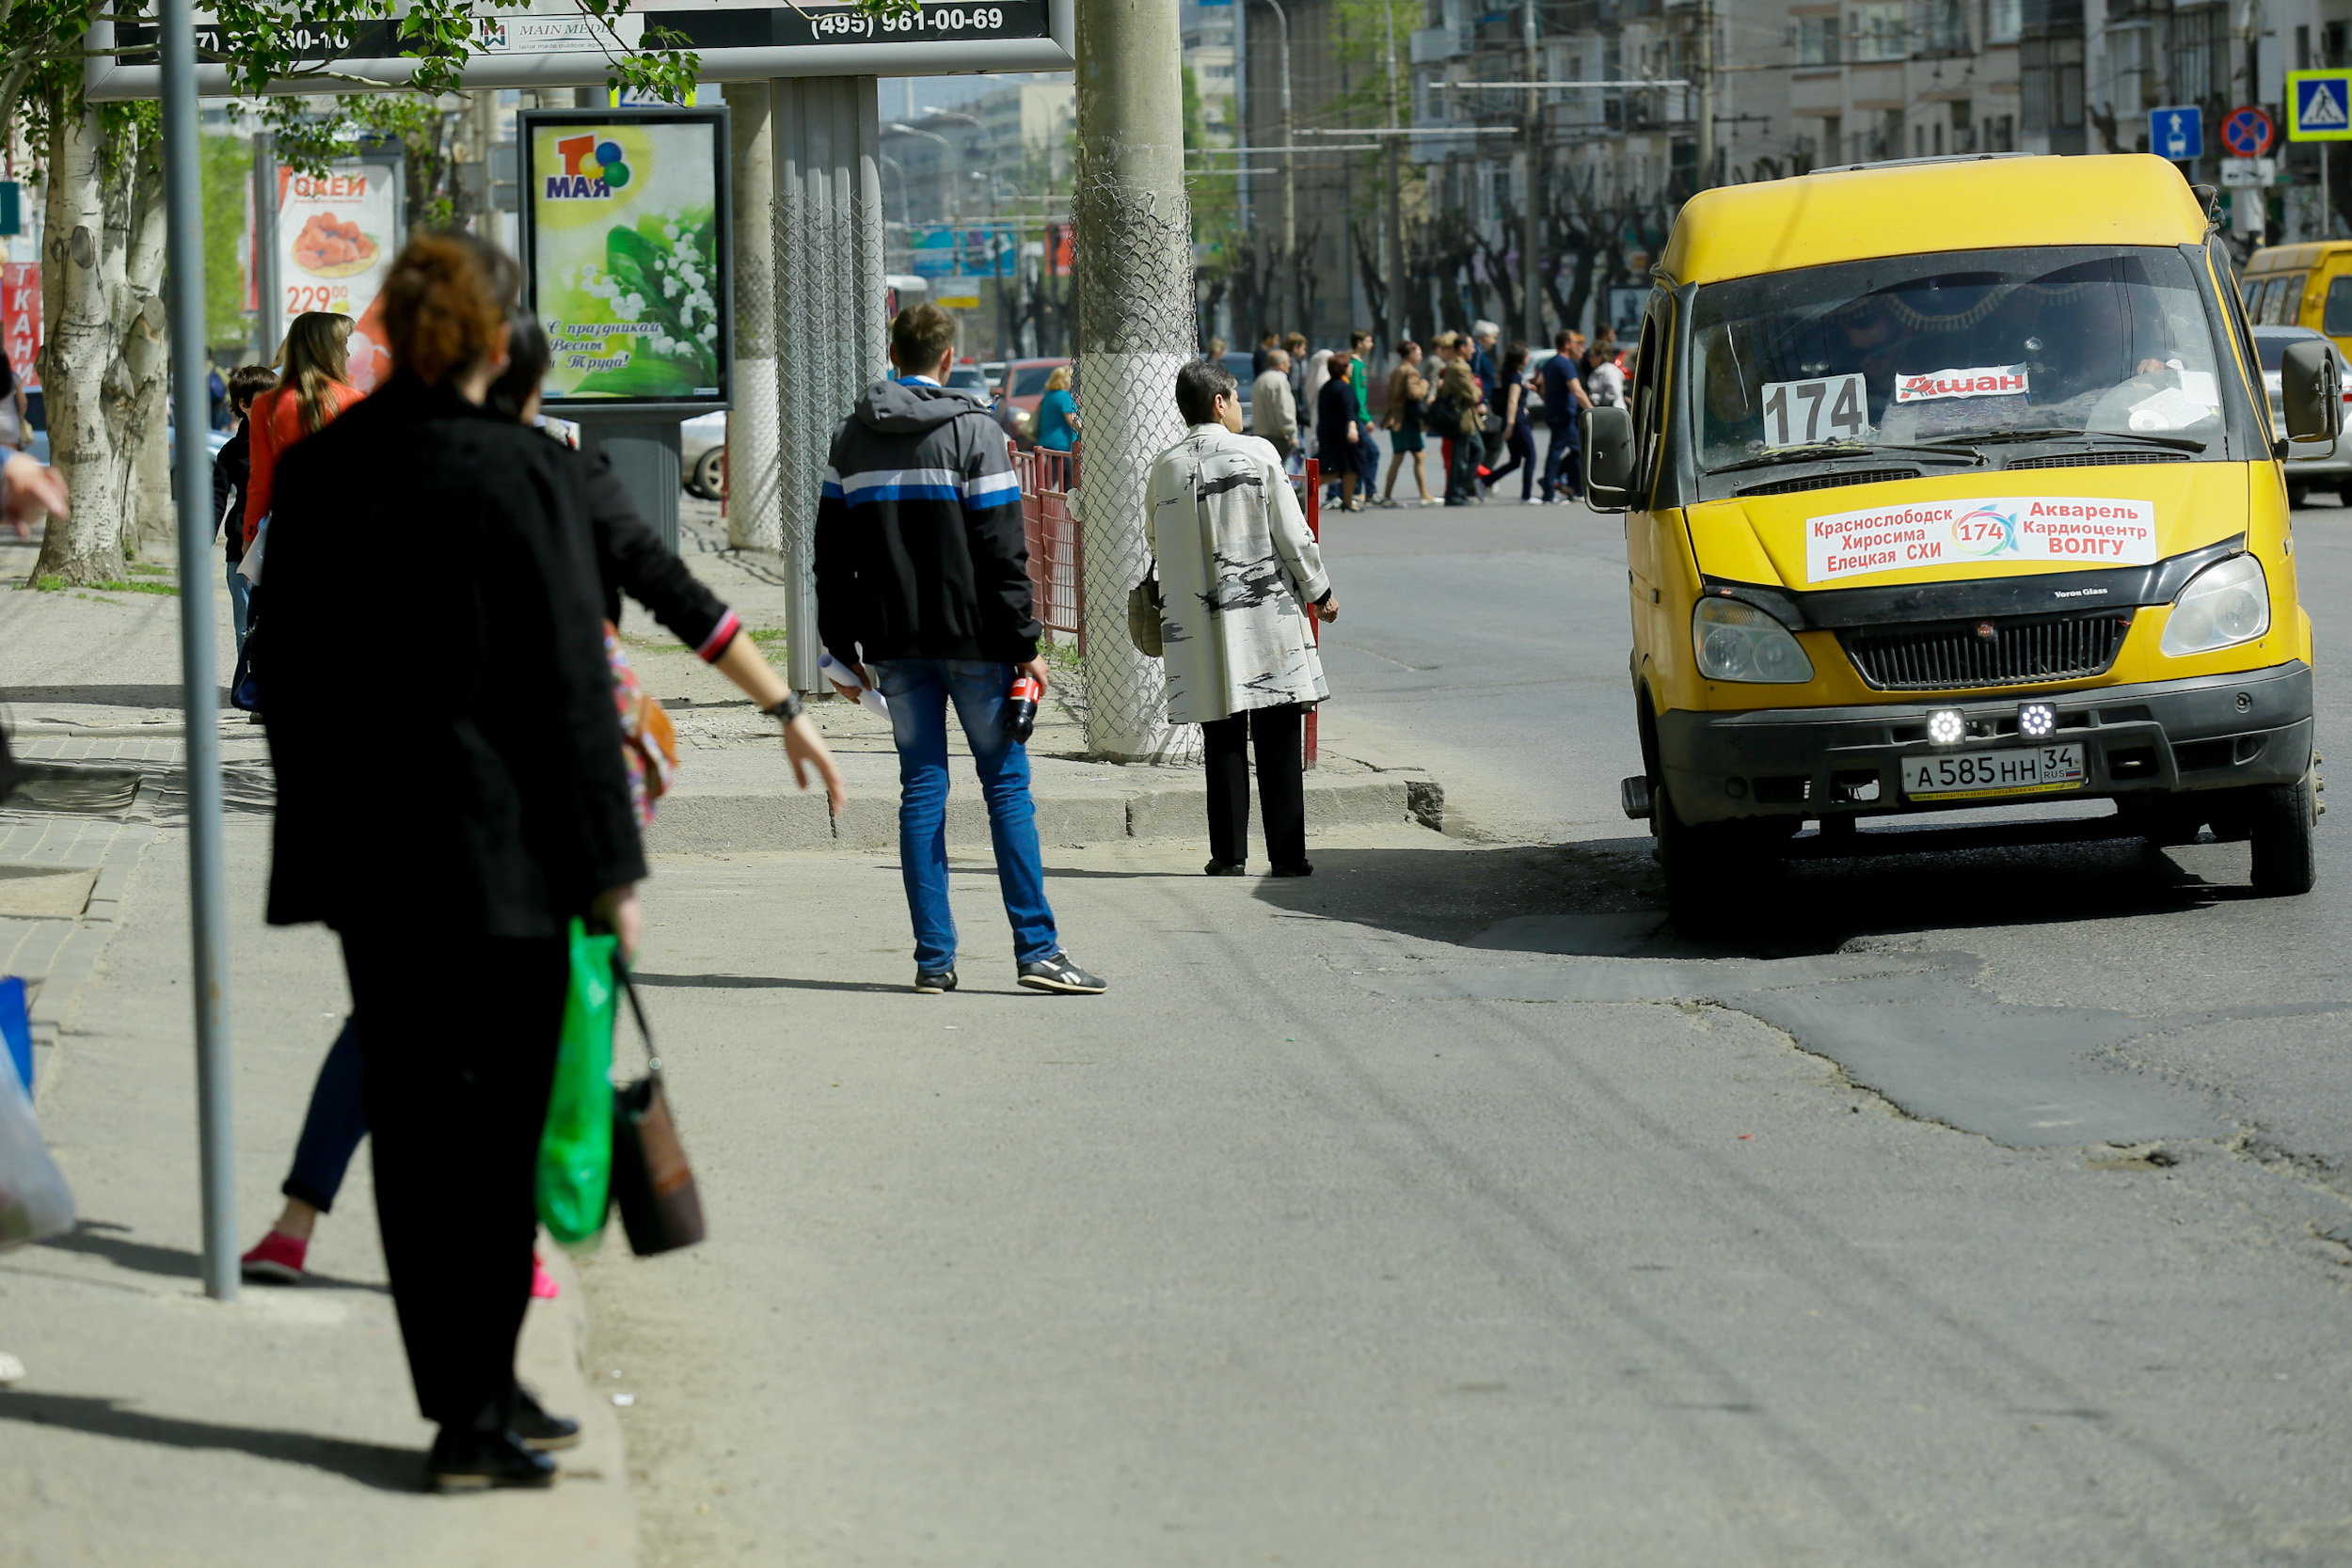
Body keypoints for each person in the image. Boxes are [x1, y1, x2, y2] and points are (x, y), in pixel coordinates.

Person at [237, 311, 850, 1294]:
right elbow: (681, 597)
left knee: (387, 1021)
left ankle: (294, 1223)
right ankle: (512, 1246)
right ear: (531, 381)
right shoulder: (563, 476)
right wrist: (783, 707)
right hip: (540, 808)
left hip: (405, 796)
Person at [262, 232, 632, 1491]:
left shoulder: (317, 473)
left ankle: (463, 1405)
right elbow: (573, 686)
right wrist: (610, 869)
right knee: (500, 1134)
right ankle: (480, 1401)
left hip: (377, 863)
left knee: (418, 1139)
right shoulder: (523, 472)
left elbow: (287, 680)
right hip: (518, 861)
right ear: (490, 340)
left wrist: (318, 834)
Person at [815, 302, 1105, 997]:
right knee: (1005, 786)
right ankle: (1036, 949)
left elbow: (830, 554)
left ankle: (933, 960)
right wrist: (1026, 642)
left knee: (923, 789)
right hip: (976, 641)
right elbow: (1003, 550)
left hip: (895, 646)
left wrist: (839, 647)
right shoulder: (977, 432)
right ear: (948, 358)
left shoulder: (850, 440)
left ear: (894, 352)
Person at [1145, 360, 1338, 876]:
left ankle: (1227, 856)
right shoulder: (1257, 453)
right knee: (1278, 736)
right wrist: (1320, 592)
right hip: (1264, 619)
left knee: (1222, 737)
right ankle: (1288, 858)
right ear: (1219, 402)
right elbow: (1293, 536)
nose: (1237, 409)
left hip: (1198, 626)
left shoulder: (1164, 466)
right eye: (1234, 399)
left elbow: (1155, 542)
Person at [244, 310, 361, 548]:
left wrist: (250, 533)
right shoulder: (355, 401)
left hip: (290, 530)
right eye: (344, 344)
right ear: (328, 348)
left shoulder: (267, 405)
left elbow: (261, 481)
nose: (347, 353)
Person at [210, 365, 276, 654]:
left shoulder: (286, 442)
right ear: (244, 404)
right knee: (246, 627)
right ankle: (249, 687)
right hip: (242, 550)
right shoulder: (231, 452)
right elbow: (215, 498)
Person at [1482, 341, 1538, 501]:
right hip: (1518, 422)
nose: (1528, 358)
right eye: (1526, 355)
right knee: (1531, 456)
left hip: (1514, 420)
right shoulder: (1515, 378)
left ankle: (1486, 480)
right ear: (1520, 359)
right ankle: (1526, 495)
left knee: (1515, 461)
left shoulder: (1512, 376)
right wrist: (1510, 425)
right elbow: (1512, 401)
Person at [1539, 329, 1590, 503]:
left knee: (1575, 450)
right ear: (1567, 345)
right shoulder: (1565, 364)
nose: (1579, 346)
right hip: (1564, 415)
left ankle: (1574, 489)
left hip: (1554, 412)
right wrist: (1592, 410)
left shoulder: (1550, 363)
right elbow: (1577, 391)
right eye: (1576, 342)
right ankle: (1551, 491)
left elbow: (1542, 388)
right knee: (1568, 450)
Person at [1381, 342, 1433, 506]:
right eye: (1418, 353)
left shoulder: (1397, 370)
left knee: (1407, 456)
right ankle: (1422, 494)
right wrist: (1424, 386)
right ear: (1410, 354)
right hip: (1406, 420)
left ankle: (1390, 494)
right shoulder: (1411, 372)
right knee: (1409, 456)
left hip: (1396, 418)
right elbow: (1414, 394)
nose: (1420, 356)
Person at [1433, 358, 1487, 506]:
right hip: (1462, 418)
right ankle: (1456, 492)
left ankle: (1460, 490)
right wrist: (1477, 390)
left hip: (1467, 417)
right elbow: (1472, 394)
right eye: (1470, 346)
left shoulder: (1457, 366)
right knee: (1460, 456)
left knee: (1474, 451)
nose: (1473, 350)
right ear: (1462, 347)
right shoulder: (1459, 368)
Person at [1314, 346, 1363, 512]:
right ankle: (1304, 489)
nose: (1351, 368)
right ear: (1343, 369)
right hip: (1341, 436)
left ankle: (1348, 501)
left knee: (1348, 468)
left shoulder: (1327, 386)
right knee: (1337, 469)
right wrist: (1352, 427)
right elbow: (1349, 408)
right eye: (1349, 365)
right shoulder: (1344, 388)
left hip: (1328, 433)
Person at [1346, 328, 1381, 503]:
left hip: (1358, 416)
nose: (1371, 344)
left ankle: (1360, 490)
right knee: (1372, 452)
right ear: (1359, 343)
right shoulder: (1353, 365)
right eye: (1368, 341)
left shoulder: (1360, 364)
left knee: (1362, 453)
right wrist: (1365, 419)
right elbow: (1355, 396)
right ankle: (1367, 491)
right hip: (1356, 417)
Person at [1251, 348, 1297, 459]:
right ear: (1281, 364)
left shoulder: (1260, 379)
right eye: (1287, 362)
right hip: (1278, 437)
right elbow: (1283, 409)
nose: (1289, 365)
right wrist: (1292, 434)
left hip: (1260, 434)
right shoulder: (1280, 381)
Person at [1034, 365, 1078, 454]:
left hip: (1047, 441)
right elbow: (1072, 420)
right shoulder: (1063, 397)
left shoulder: (1049, 395)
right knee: (1063, 468)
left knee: (1052, 468)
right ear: (1065, 380)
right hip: (1062, 444)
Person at [1470, 322, 1501, 392]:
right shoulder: (1477, 352)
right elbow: (1476, 376)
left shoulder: (1480, 351)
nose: (1494, 342)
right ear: (1486, 337)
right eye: (1494, 338)